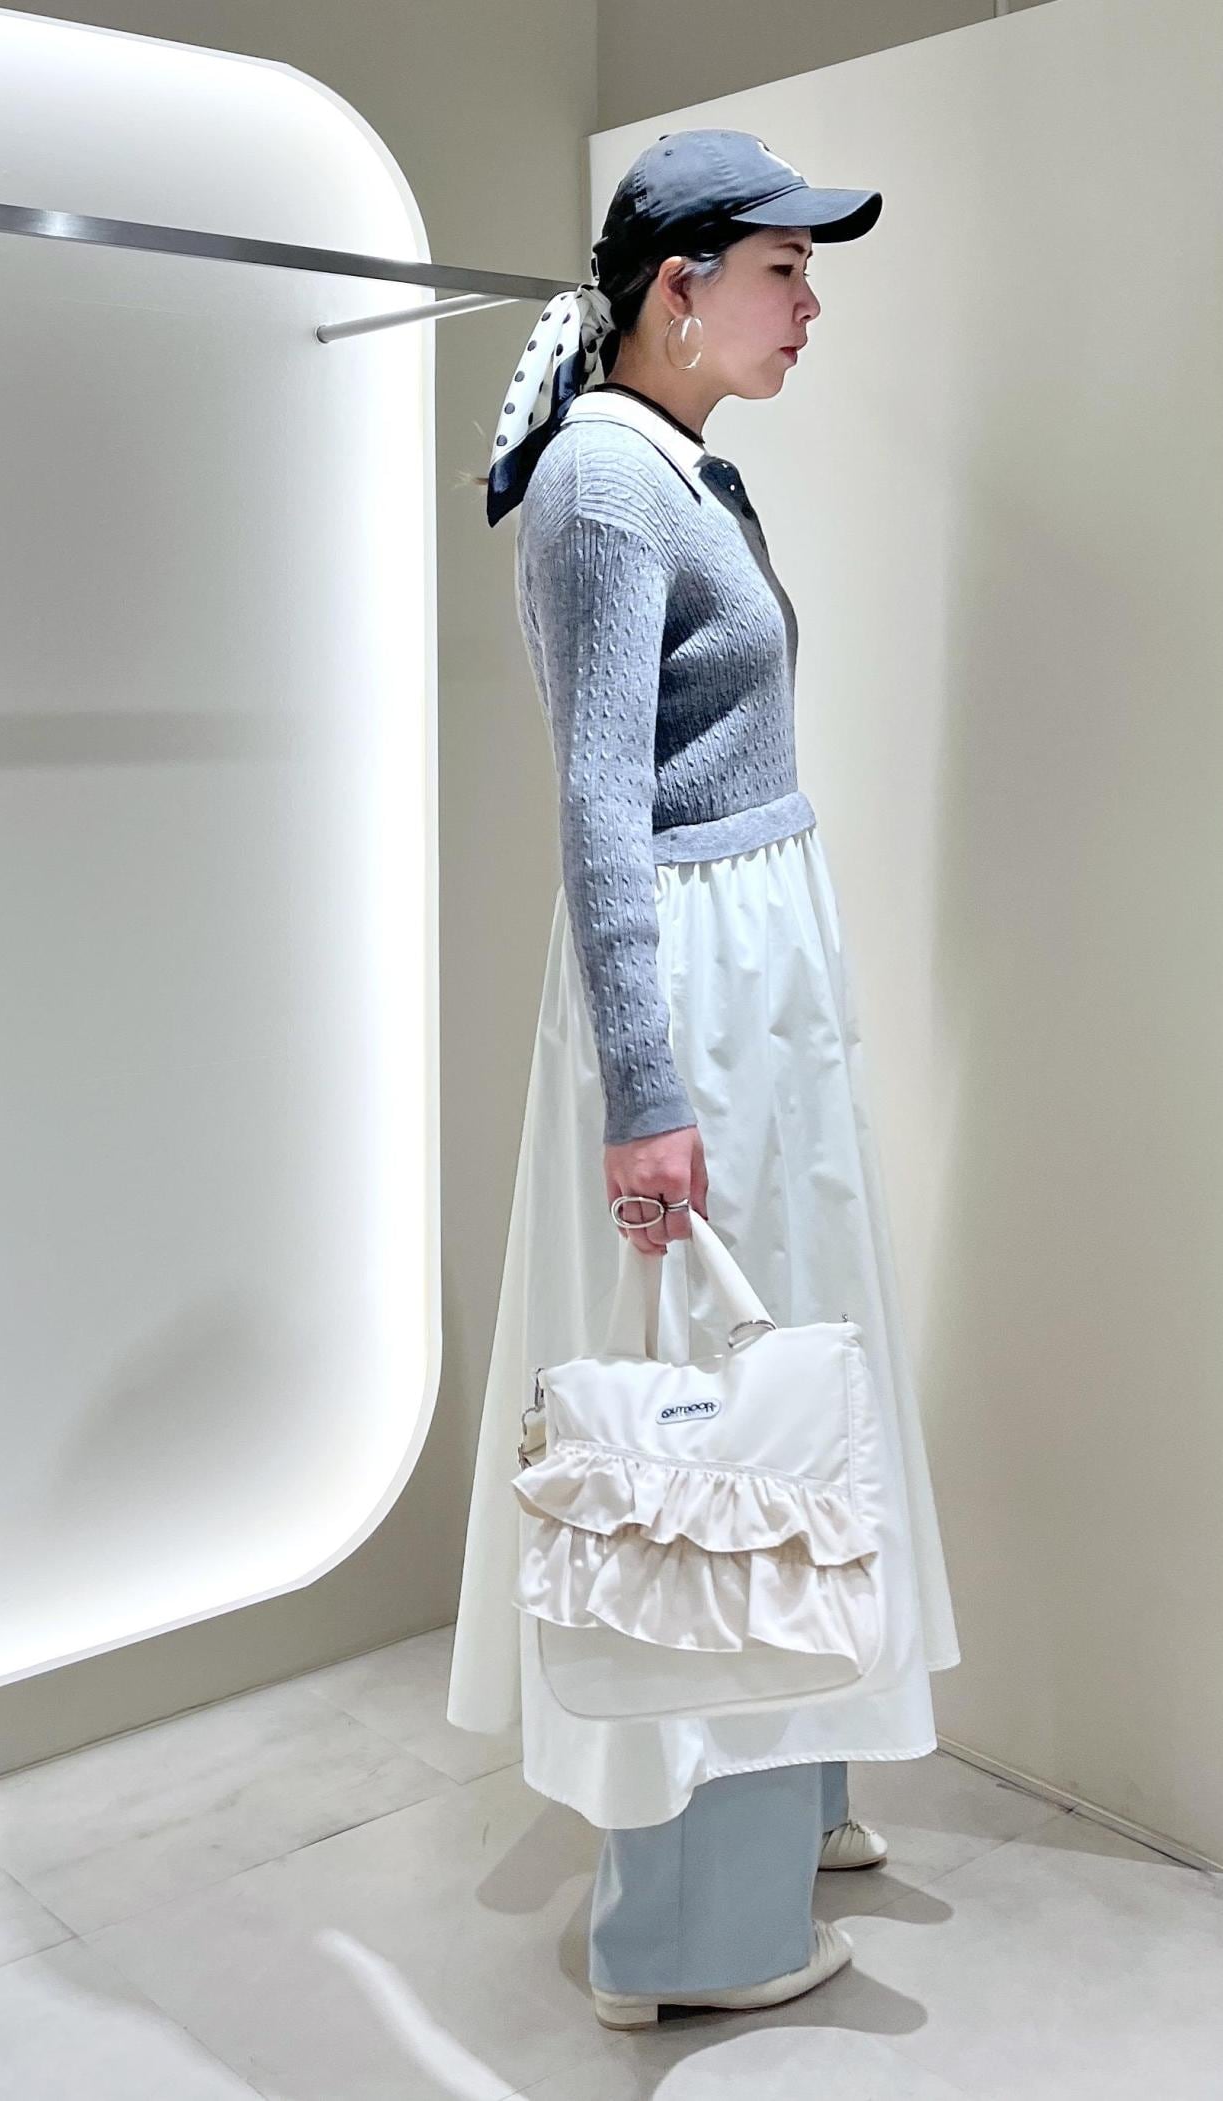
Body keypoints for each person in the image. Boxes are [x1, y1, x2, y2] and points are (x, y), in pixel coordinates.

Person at [446, 127, 960, 2032]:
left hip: (754, 974)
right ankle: (684, 1924)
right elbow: (600, 810)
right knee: (706, 1420)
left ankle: (793, 1780)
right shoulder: (605, 487)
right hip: (693, 987)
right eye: (784, 270)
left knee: (785, 1371)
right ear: (679, 285)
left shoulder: (679, 464)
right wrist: (646, 1089)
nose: (811, 306)